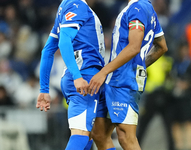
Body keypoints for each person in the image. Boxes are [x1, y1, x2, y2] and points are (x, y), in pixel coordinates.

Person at [88, 0, 168, 149]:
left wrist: (103, 72)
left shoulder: (138, 8)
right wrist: (140, 65)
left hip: (123, 81)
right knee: (99, 133)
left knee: (126, 137)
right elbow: (162, 46)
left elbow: (134, 47)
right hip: (116, 79)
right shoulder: (148, 9)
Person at [36, 0, 107, 149]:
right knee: (80, 134)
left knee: (88, 136)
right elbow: (64, 42)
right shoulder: (77, 4)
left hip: (81, 76)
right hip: (85, 76)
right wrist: (77, 76)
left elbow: (47, 51)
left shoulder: (64, 8)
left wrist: (44, 89)